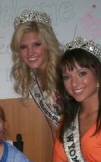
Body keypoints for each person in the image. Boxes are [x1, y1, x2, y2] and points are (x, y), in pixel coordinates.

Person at [10, 10, 62, 139]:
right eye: (24, 47)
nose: (30, 52)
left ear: (48, 44)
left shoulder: (65, 72)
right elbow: (54, 127)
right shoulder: (34, 81)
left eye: (36, 45)